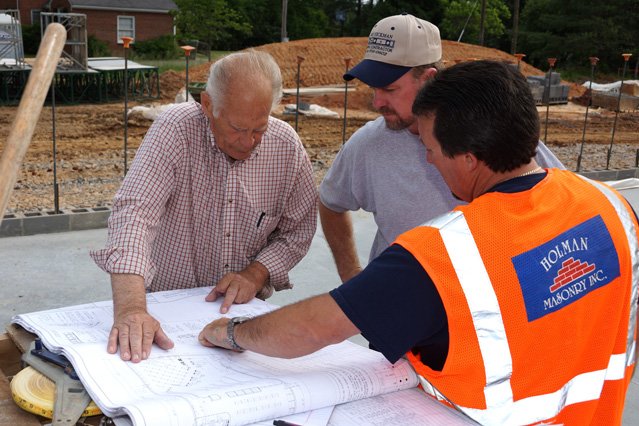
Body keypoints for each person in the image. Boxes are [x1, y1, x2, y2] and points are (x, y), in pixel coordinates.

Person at [199, 60, 638, 425]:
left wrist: (234, 333)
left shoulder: (445, 253)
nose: (427, 158)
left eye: (430, 148)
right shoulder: (611, 206)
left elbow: (312, 328)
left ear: (468, 158)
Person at [91, 50, 317, 363]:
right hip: (164, 310)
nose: (248, 141)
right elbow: (135, 214)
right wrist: (131, 309)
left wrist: (256, 273)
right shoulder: (176, 129)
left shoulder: (286, 146)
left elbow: (298, 230)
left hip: (242, 319)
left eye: (259, 129)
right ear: (208, 105)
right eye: (238, 128)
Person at [319, 13, 565, 282]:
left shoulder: (491, 131)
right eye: (374, 88)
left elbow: (556, 203)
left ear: (427, 78)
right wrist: (352, 277)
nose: (377, 102)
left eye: (389, 89)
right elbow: (331, 203)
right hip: (402, 310)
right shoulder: (369, 144)